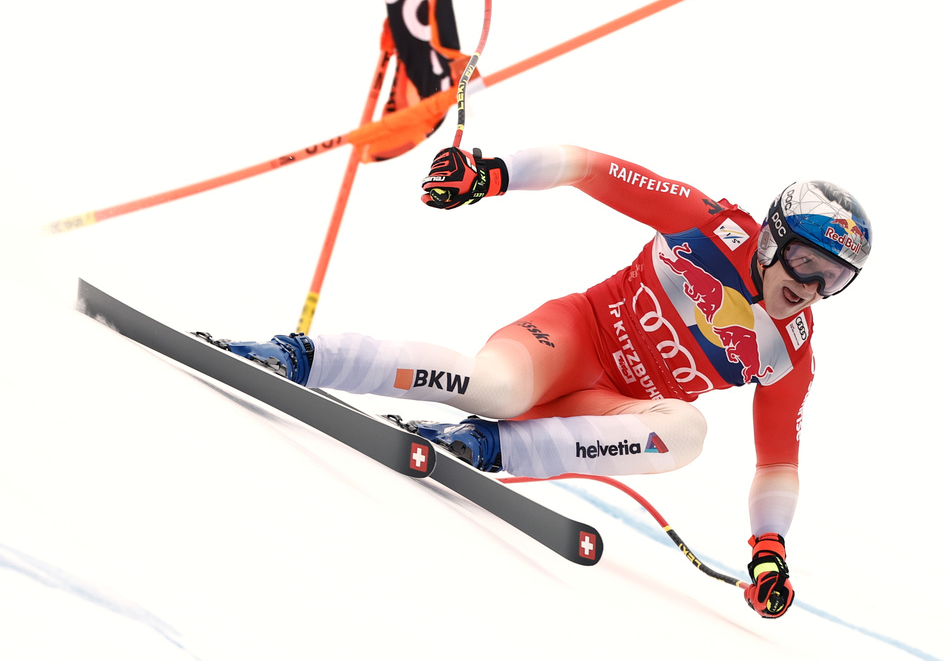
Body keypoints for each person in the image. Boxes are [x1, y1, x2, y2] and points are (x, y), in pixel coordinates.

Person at [218, 145, 872, 619]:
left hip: (606, 406)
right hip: (571, 338)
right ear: (772, 238)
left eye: (834, 280)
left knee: (688, 431)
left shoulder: (790, 350)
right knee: (496, 388)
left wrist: (769, 550)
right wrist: (490, 175)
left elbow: (778, 461)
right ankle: (300, 356)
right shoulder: (707, 223)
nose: (810, 288)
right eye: (807, 262)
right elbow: (586, 166)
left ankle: (489, 447)